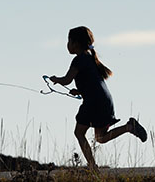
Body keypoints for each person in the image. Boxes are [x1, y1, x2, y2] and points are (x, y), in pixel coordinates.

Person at [50, 26, 147, 169]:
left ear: (75, 43)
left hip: (93, 103)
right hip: (103, 101)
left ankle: (92, 166)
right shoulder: (90, 58)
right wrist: (80, 91)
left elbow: (67, 80)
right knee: (101, 138)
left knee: (79, 133)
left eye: (69, 41)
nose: (67, 45)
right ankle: (129, 127)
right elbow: (92, 83)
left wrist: (56, 79)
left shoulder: (79, 60)